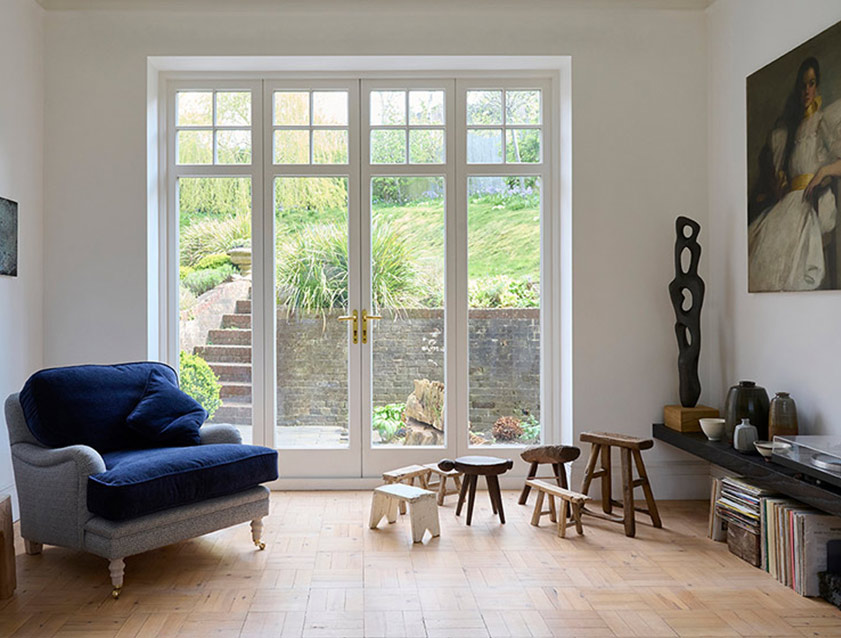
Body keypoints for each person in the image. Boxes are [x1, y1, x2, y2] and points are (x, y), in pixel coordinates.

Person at [748, 57, 841, 291]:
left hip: (812, 199)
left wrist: (824, 172)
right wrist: (779, 186)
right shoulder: (791, 130)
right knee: (763, 241)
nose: (806, 90)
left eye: (811, 84)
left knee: (792, 247)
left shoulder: (823, 122)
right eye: (802, 85)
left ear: (817, 85)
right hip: (790, 199)